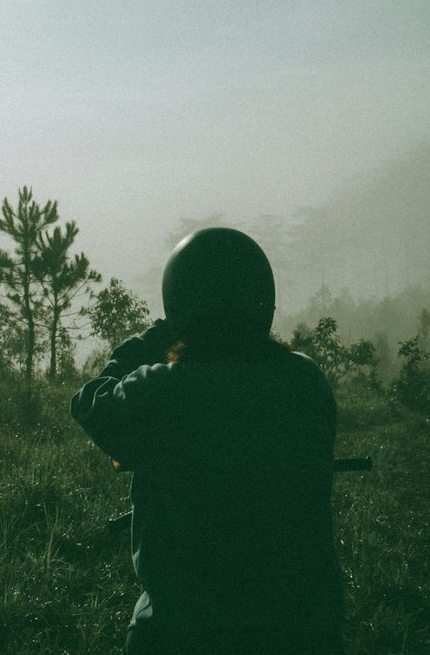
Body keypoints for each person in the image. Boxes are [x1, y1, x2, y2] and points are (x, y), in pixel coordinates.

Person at [71, 227, 345, 655]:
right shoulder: (304, 380)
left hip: (184, 629)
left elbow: (91, 402)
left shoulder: (161, 390)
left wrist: (152, 339)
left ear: (179, 305)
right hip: (303, 626)